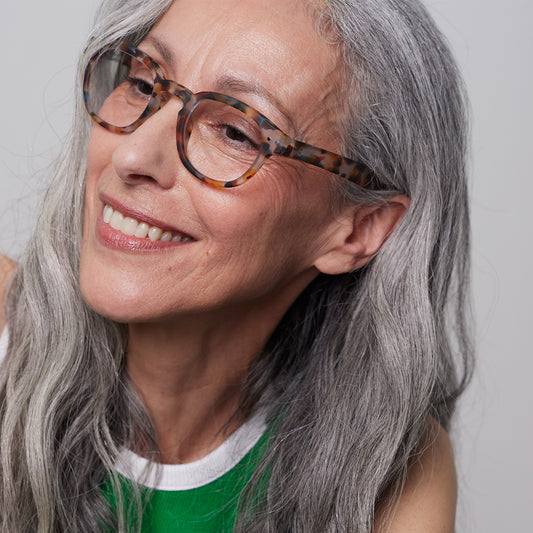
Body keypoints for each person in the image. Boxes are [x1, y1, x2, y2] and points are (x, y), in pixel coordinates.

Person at [0, 0, 472, 531]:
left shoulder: (386, 469)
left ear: (358, 229)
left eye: (234, 132)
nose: (132, 156)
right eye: (142, 83)